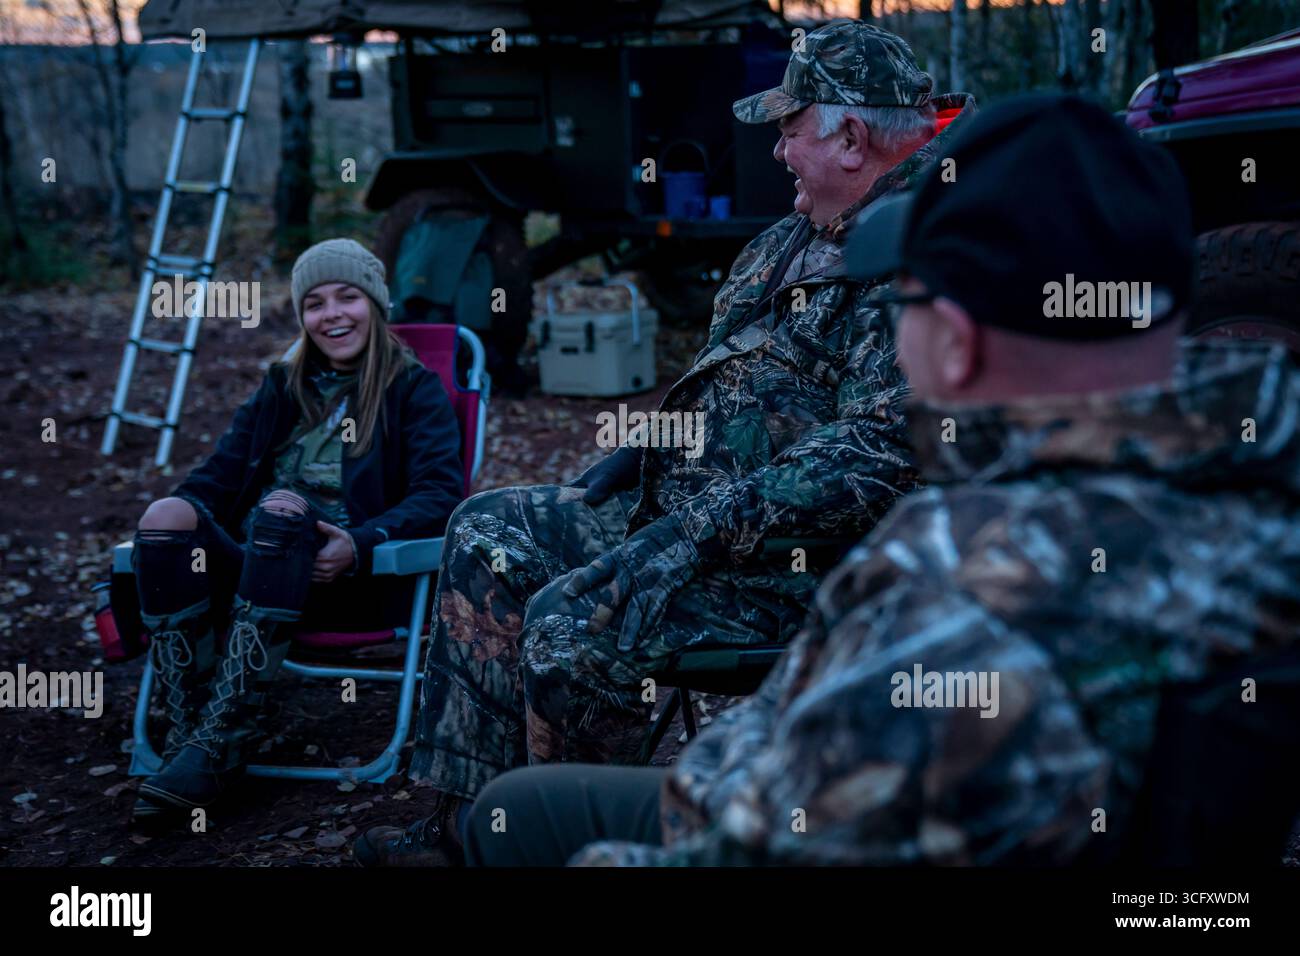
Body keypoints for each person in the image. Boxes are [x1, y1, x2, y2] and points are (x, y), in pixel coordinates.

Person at [453, 94, 1300, 866]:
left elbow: (760, 841)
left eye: (906, 305)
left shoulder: (954, 597)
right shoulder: (1267, 503)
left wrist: (749, 729)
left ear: (958, 344)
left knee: (524, 816)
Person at [353, 19, 977, 865]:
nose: (777, 151)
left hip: (797, 567)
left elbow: (880, 453)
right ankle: (468, 829)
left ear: (852, 139)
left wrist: (702, 523)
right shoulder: (783, 241)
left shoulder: (915, 257)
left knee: (569, 625)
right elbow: (728, 383)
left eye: (790, 131)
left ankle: (569, 842)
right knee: (489, 531)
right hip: (685, 516)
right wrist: (648, 445)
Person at [130, 238, 464, 820]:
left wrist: (362, 542)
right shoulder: (282, 386)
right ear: (303, 318)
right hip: (252, 568)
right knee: (165, 516)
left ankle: (221, 739)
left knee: (282, 508)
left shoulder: (412, 389)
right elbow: (218, 475)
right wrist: (178, 532)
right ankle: (195, 734)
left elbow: (439, 494)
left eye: (347, 296)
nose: (331, 313)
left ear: (376, 304)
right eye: (314, 303)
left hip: (346, 577)